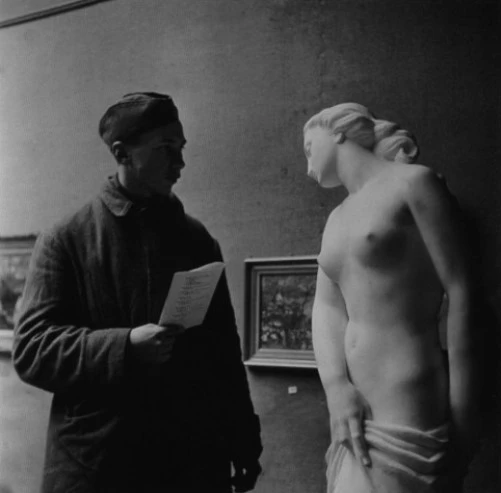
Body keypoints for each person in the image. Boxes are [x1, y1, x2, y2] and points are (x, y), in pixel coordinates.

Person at [13, 92, 262, 493]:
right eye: (166, 148)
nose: (180, 162)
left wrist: (243, 439)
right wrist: (125, 347)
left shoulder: (197, 240)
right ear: (121, 153)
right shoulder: (66, 239)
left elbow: (223, 352)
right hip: (99, 466)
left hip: (191, 465)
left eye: (181, 148)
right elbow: (32, 350)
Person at [303, 103, 478, 492]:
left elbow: (463, 292)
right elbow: (327, 307)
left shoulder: (413, 184)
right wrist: (335, 386)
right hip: (353, 402)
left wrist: (466, 417)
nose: (308, 165)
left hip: (406, 392)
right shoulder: (336, 219)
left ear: (337, 132)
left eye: (309, 148)